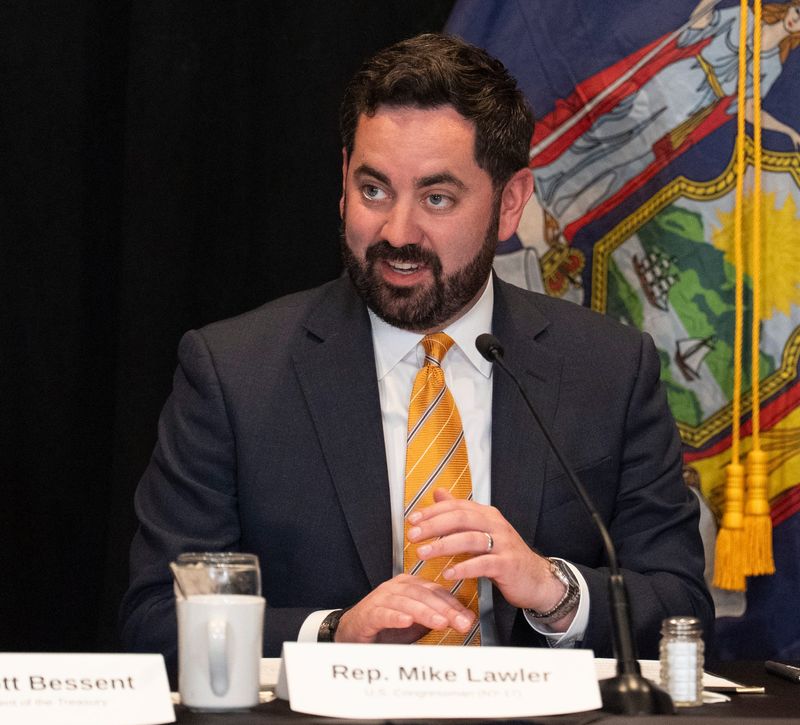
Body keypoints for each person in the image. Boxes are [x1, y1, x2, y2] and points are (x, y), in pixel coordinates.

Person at [120, 33, 713, 672]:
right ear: (343, 179)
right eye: (374, 191)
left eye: (437, 199)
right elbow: (157, 620)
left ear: (510, 204)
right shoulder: (234, 371)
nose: (398, 232)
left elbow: (680, 610)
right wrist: (332, 635)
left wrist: (556, 593)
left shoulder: (608, 370)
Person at [532, 0, 800, 237]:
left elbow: (750, 106)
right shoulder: (746, 16)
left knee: (632, 158)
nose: (795, 20)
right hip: (681, 75)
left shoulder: (774, 63)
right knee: (611, 127)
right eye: (798, 12)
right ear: (790, 6)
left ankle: (562, 202)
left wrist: (788, 133)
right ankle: (547, 175)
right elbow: (702, 22)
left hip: (697, 106)